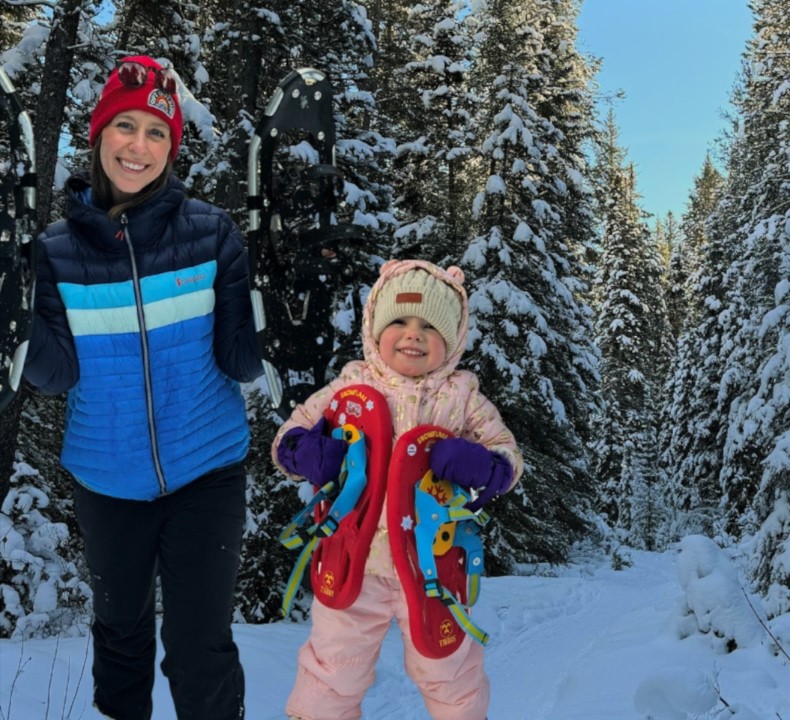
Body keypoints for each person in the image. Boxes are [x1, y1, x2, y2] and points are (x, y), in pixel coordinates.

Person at [23, 55, 262, 719]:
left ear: (172, 147)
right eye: (125, 127)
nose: (139, 145)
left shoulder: (210, 235)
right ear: (99, 136)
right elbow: (53, 374)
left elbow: (242, 362)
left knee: (199, 646)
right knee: (121, 639)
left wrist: (274, 300)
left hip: (206, 471)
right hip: (106, 478)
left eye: (157, 132)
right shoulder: (55, 251)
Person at [273, 259, 522, 720]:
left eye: (430, 325)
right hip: (352, 557)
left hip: (432, 564)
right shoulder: (350, 386)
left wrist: (480, 465)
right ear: (374, 328)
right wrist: (305, 452)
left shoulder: (463, 396)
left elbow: (507, 458)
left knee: (448, 668)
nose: (413, 334)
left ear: (451, 340)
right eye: (400, 322)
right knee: (334, 670)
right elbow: (292, 432)